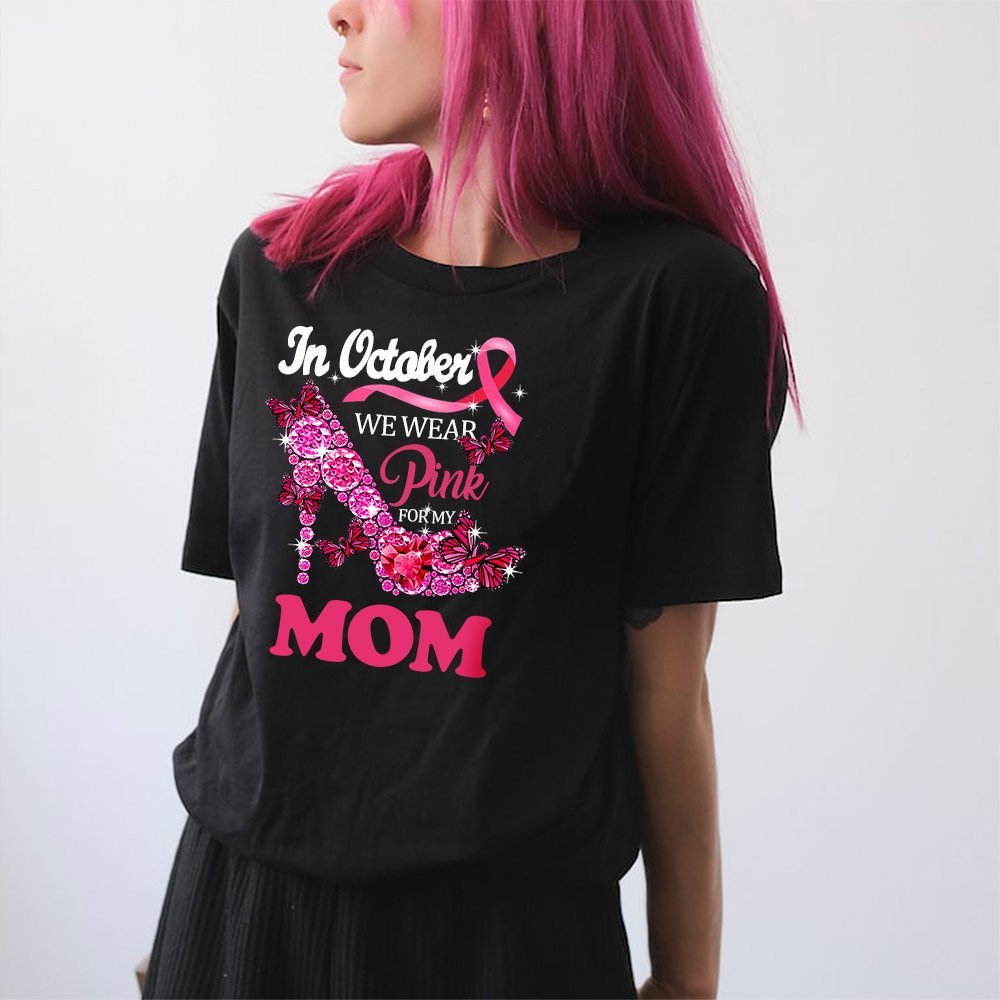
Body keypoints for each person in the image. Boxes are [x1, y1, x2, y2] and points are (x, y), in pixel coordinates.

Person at [141, 0, 801, 997]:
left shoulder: (675, 300)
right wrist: (189, 940)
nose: (340, 13)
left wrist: (685, 981)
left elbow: (667, 688)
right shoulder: (283, 271)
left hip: (507, 939)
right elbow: (259, 620)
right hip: (243, 903)